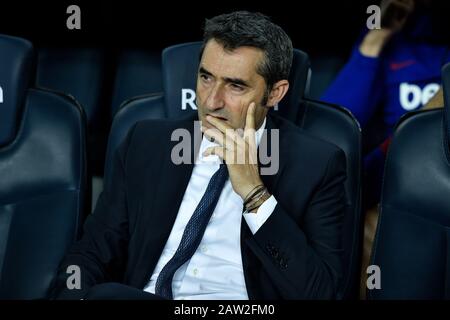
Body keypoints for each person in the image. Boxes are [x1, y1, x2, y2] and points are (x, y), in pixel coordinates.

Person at [50, 11, 347, 300]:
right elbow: (92, 252)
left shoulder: (317, 165)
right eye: (206, 77)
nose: (211, 100)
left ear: (275, 93)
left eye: (235, 85)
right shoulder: (147, 143)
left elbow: (320, 292)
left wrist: (255, 194)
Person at [320, 0, 448, 298]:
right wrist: (378, 35)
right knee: (374, 224)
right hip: (400, 185)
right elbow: (335, 127)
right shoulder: (385, 48)